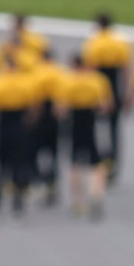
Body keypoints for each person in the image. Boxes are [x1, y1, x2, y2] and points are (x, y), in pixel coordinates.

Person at [56, 55, 114, 220]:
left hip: (74, 121)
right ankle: (96, 196)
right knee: (96, 163)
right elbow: (106, 106)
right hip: (91, 119)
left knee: (75, 163)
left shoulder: (67, 81)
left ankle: (78, 202)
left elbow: (61, 109)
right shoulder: (97, 80)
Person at [0, 55, 37, 217]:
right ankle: (18, 200)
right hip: (20, 123)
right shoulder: (26, 82)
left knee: (1, 163)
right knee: (19, 163)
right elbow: (33, 107)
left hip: (3, 123)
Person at [81, 12, 133, 182]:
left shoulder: (94, 42)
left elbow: (90, 68)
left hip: (98, 86)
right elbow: (126, 70)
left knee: (95, 126)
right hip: (115, 83)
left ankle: (98, 162)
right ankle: (113, 163)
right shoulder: (120, 42)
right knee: (114, 129)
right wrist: (126, 94)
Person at [29, 48, 67, 206]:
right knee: (54, 151)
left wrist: (32, 118)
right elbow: (64, 97)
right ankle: (52, 182)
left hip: (40, 114)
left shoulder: (36, 72)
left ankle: (39, 182)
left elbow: (34, 97)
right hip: (55, 115)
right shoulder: (60, 72)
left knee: (35, 150)